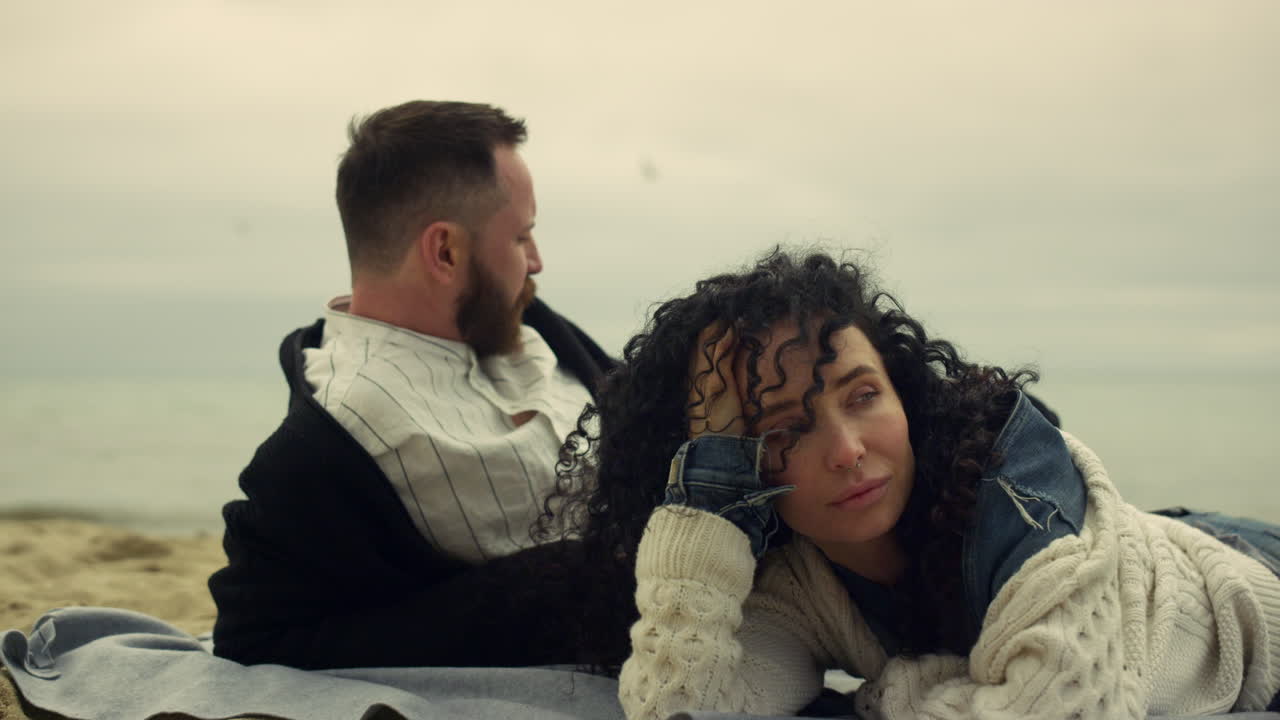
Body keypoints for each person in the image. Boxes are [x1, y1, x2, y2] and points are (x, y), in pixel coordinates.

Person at [543, 249, 1280, 718]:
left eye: (862, 395)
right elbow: (682, 706)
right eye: (782, 429)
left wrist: (890, 690)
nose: (846, 449)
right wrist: (707, 483)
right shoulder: (797, 574)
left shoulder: (1014, 490)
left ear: (904, 392)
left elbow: (1065, 709)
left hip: (1239, 578)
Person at [208, 101, 615, 670]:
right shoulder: (334, 439)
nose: (537, 261)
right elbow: (255, 636)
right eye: (522, 237)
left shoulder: (530, 323)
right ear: (445, 251)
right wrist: (554, 587)